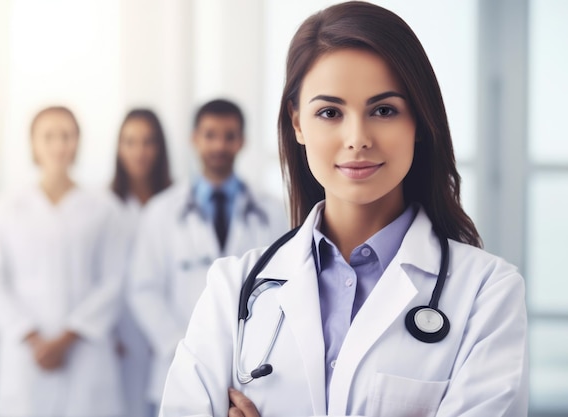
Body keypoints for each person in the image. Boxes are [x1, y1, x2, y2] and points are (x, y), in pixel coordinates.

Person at [159, 2, 528, 417]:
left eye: (384, 110)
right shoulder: (232, 288)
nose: (357, 138)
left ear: (419, 121)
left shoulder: (487, 294)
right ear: (297, 123)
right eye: (330, 112)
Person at [129, 99, 288, 410]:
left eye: (229, 136)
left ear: (241, 141)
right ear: (194, 139)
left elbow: (281, 288)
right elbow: (143, 289)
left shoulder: (271, 212)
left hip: (247, 371)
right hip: (175, 364)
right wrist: (186, 347)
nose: (219, 145)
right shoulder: (161, 211)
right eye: (210, 135)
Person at [0, 106, 127, 417]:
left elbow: (114, 280)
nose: (59, 145)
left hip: (85, 350)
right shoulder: (7, 206)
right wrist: (33, 339)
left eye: (67, 136)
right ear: (33, 144)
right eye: (48, 136)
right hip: (25, 354)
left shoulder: (104, 207)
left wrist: (67, 338)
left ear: (78, 142)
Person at [109, 109, 172, 417]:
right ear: (119, 148)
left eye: (148, 142)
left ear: (160, 148)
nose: (139, 152)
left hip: (169, 332)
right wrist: (110, 333)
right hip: (119, 336)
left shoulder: (177, 204)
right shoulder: (105, 204)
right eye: (130, 142)